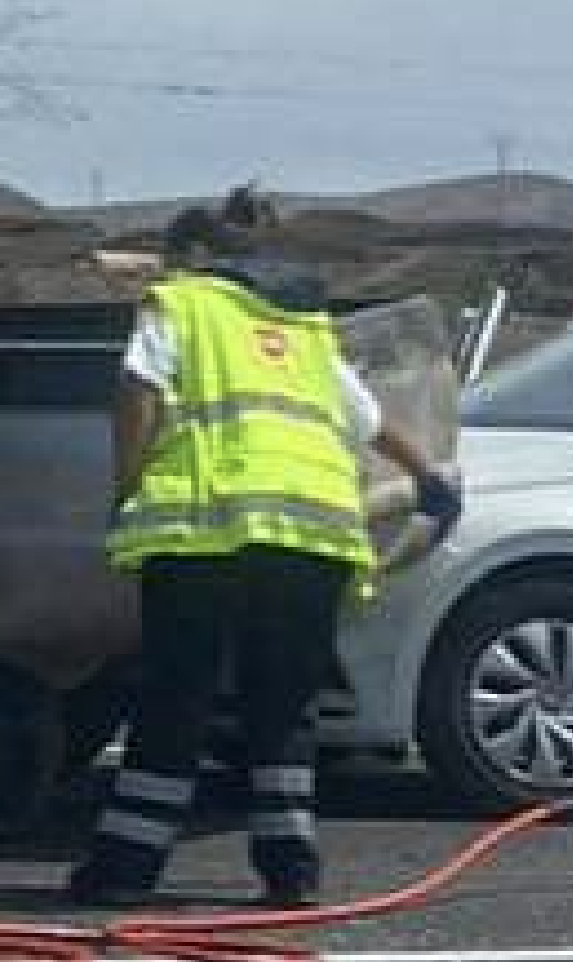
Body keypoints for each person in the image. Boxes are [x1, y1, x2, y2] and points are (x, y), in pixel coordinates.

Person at [68, 186, 461, 907]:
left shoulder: (181, 304)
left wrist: (125, 488)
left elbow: (138, 388)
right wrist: (429, 478)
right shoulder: (306, 329)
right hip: (311, 535)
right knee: (283, 704)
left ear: (192, 257)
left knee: (175, 697)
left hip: (204, 527)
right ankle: (291, 869)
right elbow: (366, 417)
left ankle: (126, 868)